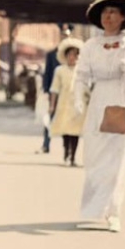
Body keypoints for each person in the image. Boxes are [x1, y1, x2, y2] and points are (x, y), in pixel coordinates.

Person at [73, 0, 125, 232]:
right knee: (96, 157)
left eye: (113, 12)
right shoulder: (91, 46)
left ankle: (114, 213)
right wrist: (78, 97)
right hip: (100, 100)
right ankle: (93, 210)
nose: (107, 17)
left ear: (124, 16)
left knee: (120, 159)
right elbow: (81, 75)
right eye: (104, 12)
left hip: (124, 100)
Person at [48, 37, 86, 166]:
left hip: (78, 103)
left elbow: (87, 87)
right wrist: (52, 105)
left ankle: (73, 156)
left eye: (75, 55)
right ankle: (66, 153)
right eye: (70, 55)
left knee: (75, 131)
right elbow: (54, 89)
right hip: (64, 103)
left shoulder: (82, 71)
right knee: (66, 130)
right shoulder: (59, 70)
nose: (72, 58)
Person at [38, 24, 73, 154]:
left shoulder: (75, 54)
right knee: (50, 118)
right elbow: (47, 73)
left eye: (67, 35)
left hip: (69, 93)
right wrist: (46, 91)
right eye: (63, 35)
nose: (65, 38)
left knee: (68, 120)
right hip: (55, 92)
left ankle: (67, 148)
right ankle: (46, 144)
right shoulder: (52, 54)